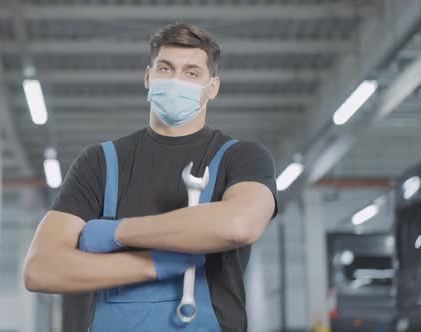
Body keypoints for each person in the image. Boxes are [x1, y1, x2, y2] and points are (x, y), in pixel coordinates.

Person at [23, 23, 278, 332]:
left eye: (191, 73)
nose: (176, 81)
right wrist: (153, 265)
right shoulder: (100, 162)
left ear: (213, 87)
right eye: (166, 68)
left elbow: (239, 224)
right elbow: (41, 269)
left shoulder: (241, 157)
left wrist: (118, 232)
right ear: (148, 77)